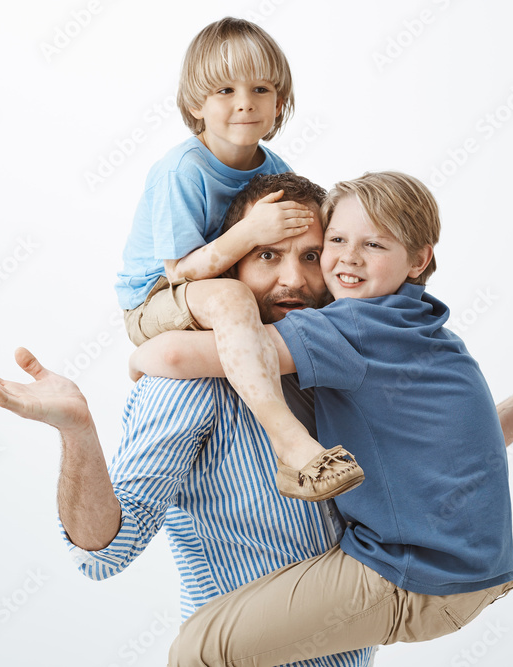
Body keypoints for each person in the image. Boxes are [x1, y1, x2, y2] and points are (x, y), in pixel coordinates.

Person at [0, 173, 513, 667]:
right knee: (194, 652)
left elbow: (434, 457)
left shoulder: (335, 351)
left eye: (312, 255)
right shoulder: (196, 390)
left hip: (386, 611)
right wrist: (78, 430)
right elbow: (103, 555)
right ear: (229, 267)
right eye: (267, 255)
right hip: (296, 634)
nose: (298, 277)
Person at [136, 171, 513, 664]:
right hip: (471, 571)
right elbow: (461, 451)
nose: (349, 258)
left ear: (419, 260)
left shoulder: (353, 327)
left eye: (374, 244)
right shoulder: (427, 326)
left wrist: (137, 355)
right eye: (336, 240)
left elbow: (177, 356)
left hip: (414, 575)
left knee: (201, 647)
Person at [116, 17, 362, 501]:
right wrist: (251, 232)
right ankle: (289, 441)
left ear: (279, 103)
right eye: (225, 90)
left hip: (224, 294)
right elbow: (181, 271)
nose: (245, 102)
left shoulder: (276, 169)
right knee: (231, 296)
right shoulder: (182, 171)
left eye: (260, 89)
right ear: (196, 104)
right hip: (157, 298)